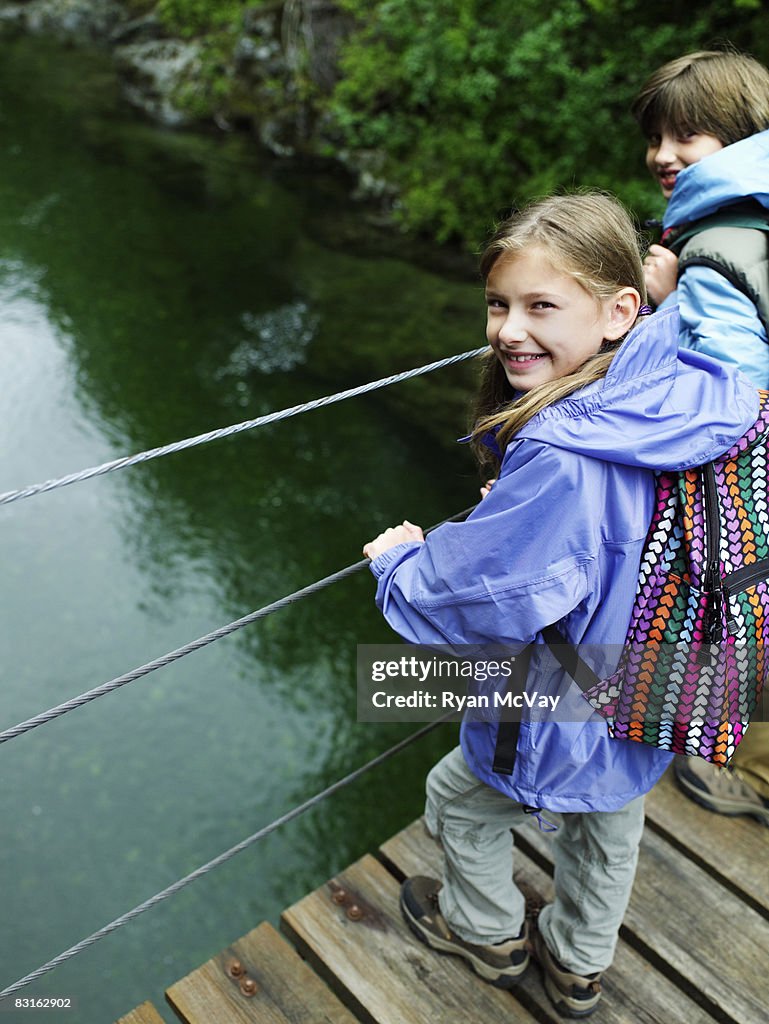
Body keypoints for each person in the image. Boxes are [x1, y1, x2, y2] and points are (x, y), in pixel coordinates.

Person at [362, 191, 759, 1018]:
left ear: (618, 311)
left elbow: (471, 597)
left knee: (458, 803)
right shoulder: (682, 377)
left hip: (561, 693)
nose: (509, 329)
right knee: (610, 823)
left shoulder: (563, 455)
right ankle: (579, 964)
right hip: (653, 670)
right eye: (497, 303)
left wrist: (400, 562)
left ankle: (487, 932)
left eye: (541, 306)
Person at [633, 49, 769, 824]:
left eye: (687, 135)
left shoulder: (713, 251)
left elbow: (726, 405)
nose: (661, 155)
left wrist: (659, 304)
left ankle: (750, 774)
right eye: (655, 137)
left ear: (741, 134)